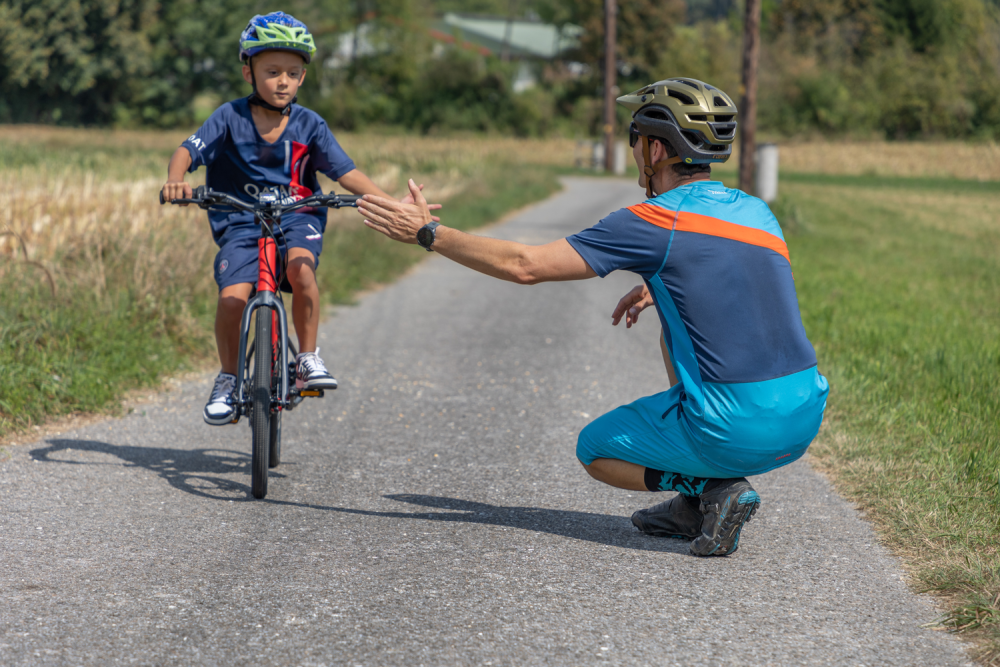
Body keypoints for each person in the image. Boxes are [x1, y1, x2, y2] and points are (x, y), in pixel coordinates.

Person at [357, 78, 828, 557]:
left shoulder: (652, 220)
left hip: (735, 429)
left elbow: (526, 265)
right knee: (673, 334)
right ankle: (691, 508)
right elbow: (739, 273)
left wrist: (427, 233)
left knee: (595, 449)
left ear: (657, 149)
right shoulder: (757, 211)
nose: (634, 153)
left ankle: (711, 490)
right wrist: (660, 284)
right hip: (803, 417)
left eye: (636, 141)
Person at [160, 12, 433, 426]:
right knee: (232, 297)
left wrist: (394, 205)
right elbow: (187, 150)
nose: (283, 81)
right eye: (271, 71)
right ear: (248, 72)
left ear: (303, 77)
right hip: (241, 221)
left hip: (296, 215)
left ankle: (307, 356)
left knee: (301, 270)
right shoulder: (228, 118)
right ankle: (229, 378)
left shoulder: (310, 125)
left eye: (293, 72)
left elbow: (346, 173)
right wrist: (176, 180)